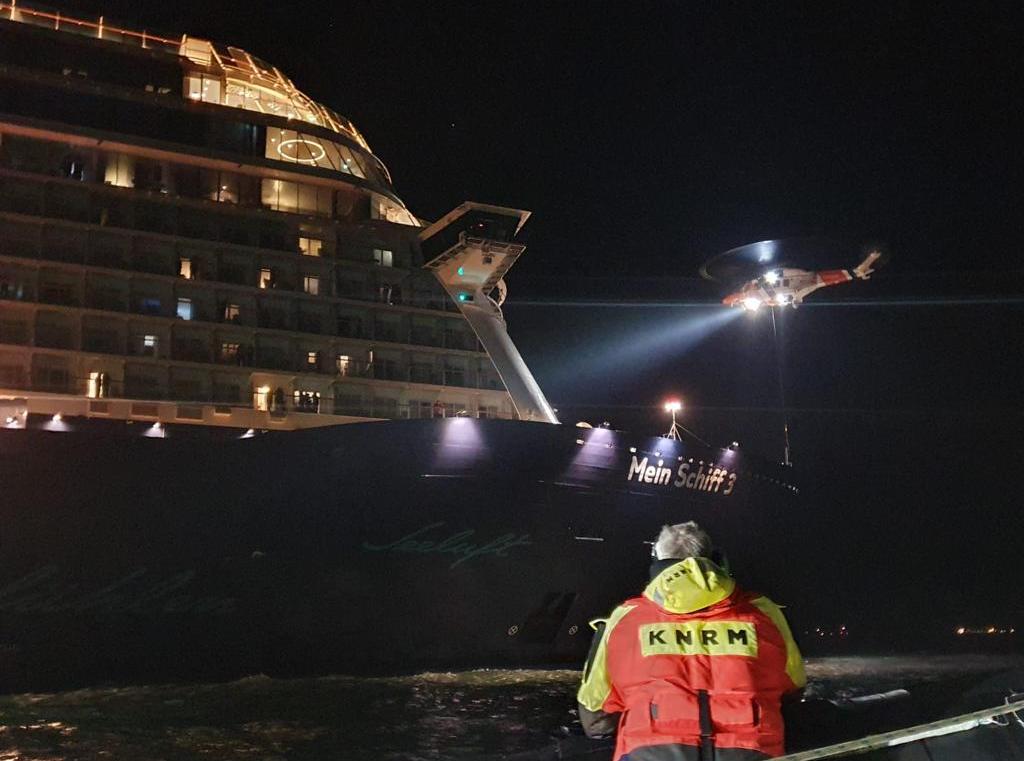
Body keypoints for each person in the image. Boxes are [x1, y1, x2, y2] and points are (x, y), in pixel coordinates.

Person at [577, 522, 805, 760]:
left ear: (656, 560)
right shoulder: (764, 613)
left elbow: (596, 718)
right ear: (716, 559)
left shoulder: (625, 618)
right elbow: (793, 686)